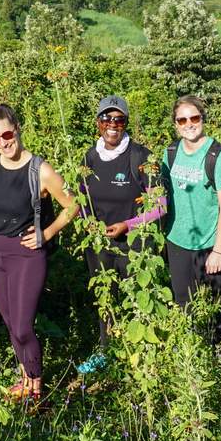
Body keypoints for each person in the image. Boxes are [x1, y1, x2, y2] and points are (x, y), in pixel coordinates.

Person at [0, 103, 79, 403]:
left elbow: (73, 206)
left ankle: (36, 387)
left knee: (22, 325)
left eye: (7, 133)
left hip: (27, 254)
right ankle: (25, 378)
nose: (3, 142)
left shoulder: (40, 170)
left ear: (17, 129)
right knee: (9, 321)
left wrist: (47, 233)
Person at [76, 94, 161, 371]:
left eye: (119, 119)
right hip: (99, 243)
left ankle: (140, 355)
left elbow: (161, 205)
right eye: (106, 118)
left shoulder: (141, 156)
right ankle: (106, 352)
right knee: (105, 298)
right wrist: (89, 223)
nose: (112, 124)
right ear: (98, 122)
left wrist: (129, 225)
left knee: (138, 297)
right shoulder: (89, 157)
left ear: (125, 123)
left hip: (134, 244)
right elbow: (81, 200)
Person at [159, 94, 221, 338]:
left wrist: (218, 251)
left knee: (216, 306)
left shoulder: (217, 156)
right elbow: (161, 198)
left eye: (194, 117)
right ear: (175, 124)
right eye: (182, 120)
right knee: (184, 304)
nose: (189, 124)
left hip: (209, 244)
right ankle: (191, 354)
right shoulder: (170, 153)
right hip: (177, 241)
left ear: (203, 119)